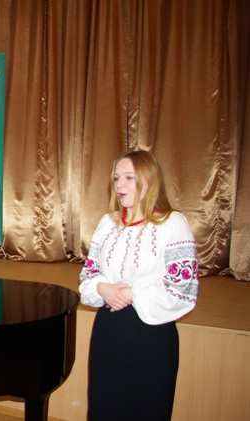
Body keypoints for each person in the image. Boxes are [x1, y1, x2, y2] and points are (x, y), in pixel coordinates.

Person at [79, 150, 199, 420]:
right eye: (116, 178)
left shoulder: (172, 223)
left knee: (146, 409)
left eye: (129, 178)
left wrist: (133, 293)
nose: (119, 185)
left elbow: (183, 289)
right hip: (108, 330)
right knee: (104, 407)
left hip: (150, 335)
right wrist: (102, 288)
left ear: (149, 180)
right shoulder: (107, 223)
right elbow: (88, 276)